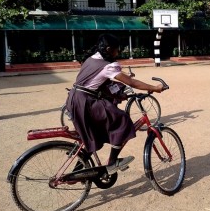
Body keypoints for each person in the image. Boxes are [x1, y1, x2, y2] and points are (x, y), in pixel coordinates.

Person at [66, 34, 163, 175]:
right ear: (109, 49)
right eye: (117, 50)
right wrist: (155, 88)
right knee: (123, 120)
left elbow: (97, 83)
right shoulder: (109, 66)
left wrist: (118, 95)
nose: (118, 52)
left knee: (93, 134)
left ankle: (78, 172)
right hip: (87, 102)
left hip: (75, 99)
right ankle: (112, 162)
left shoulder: (91, 59)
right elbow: (132, 83)